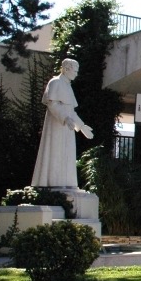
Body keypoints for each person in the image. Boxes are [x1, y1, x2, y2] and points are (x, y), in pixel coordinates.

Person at [31, 59, 93, 188]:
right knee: (55, 153)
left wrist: (81, 126)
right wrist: (65, 118)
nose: (76, 74)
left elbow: (71, 110)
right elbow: (52, 104)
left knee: (67, 155)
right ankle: (54, 183)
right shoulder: (55, 82)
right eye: (74, 71)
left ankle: (66, 183)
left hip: (67, 127)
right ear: (66, 69)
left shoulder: (68, 86)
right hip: (56, 125)